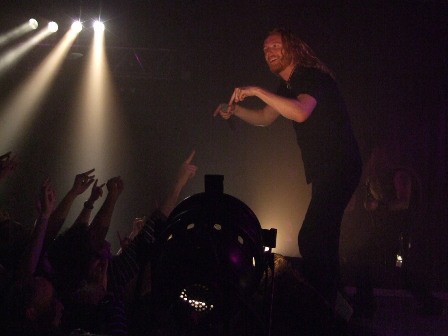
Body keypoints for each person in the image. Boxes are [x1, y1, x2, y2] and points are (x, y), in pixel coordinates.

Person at [214, 28, 362, 309]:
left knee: (312, 237)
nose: (269, 52)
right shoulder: (290, 85)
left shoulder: (311, 76)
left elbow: (300, 112)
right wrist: (236, 111)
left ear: (292, 48)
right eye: (265, 49)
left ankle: (328, 303)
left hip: (340, 163)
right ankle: (338, 305)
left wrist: (257, 90)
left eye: (275, 46)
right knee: (325, 238)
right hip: (327, 168)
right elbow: (265, 117)